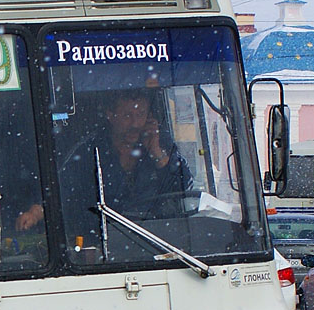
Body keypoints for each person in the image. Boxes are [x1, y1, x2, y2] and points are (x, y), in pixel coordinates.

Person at [16, 90, 191, 242]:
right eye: (127, 116)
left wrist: (156, 153)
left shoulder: (161, 143)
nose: (135, 124)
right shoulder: (89, 151)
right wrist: (35, 213)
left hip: (160, 241)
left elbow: (185, 188)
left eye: (141, 115)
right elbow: (61, 189)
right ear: (110, 115)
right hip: (103, 243)